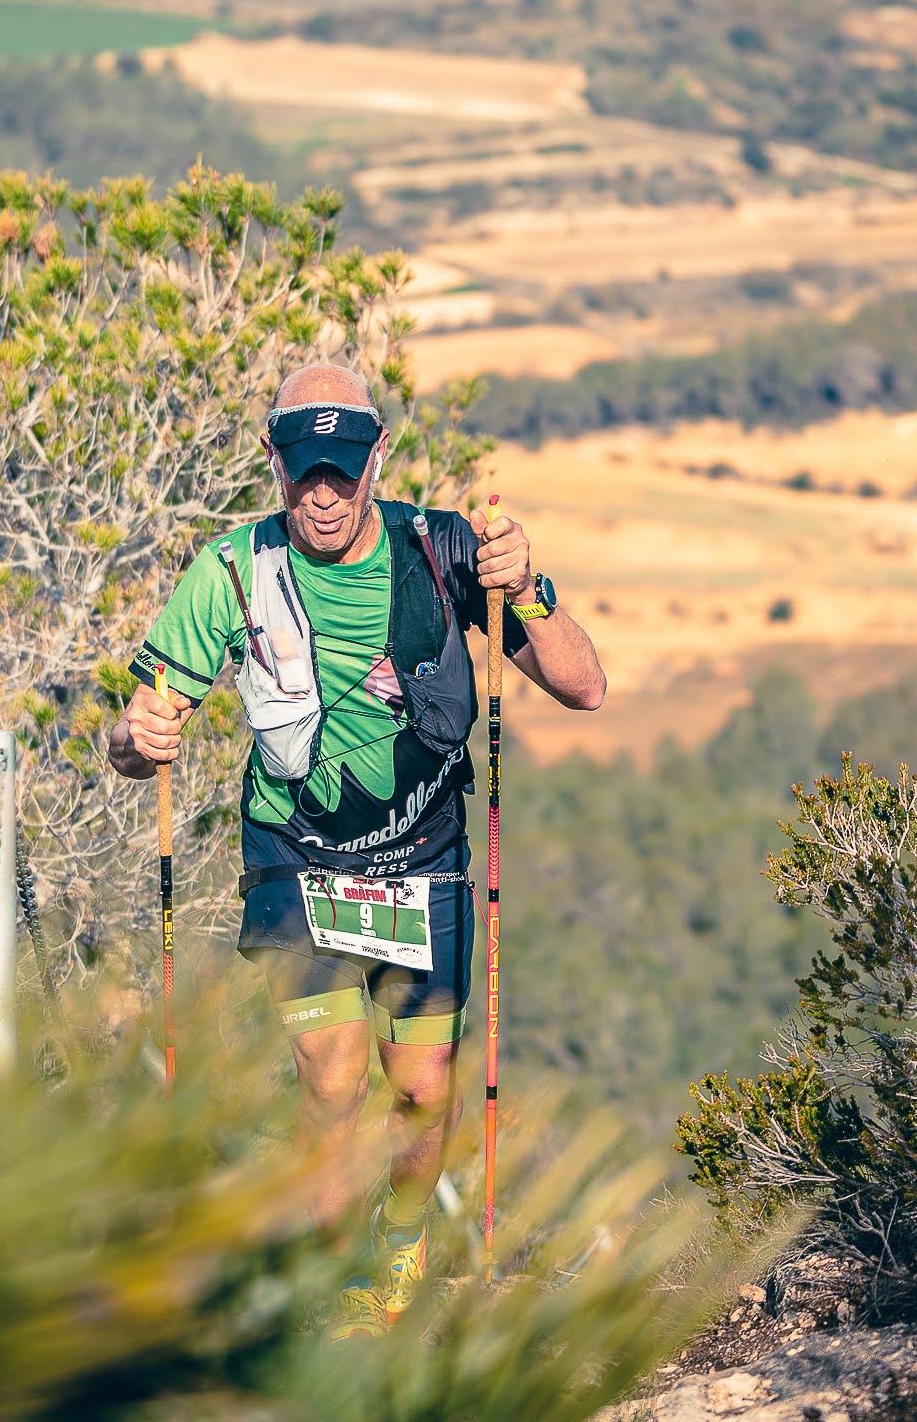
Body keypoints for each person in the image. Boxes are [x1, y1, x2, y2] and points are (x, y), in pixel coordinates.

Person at [105, 363, 606, 1338]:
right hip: (296, 860)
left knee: (420, 1093)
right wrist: (135, 741)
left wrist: (529, 591)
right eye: (305, 472)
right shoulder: (230, 573)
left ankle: (402, 1241)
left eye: (343, 469)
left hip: (424, 859)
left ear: (377, 456)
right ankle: (330, 1288)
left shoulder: (442, 550)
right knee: (331, 1080)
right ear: (274, 462)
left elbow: (584, 688)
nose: (323, 493)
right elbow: (139, 732)